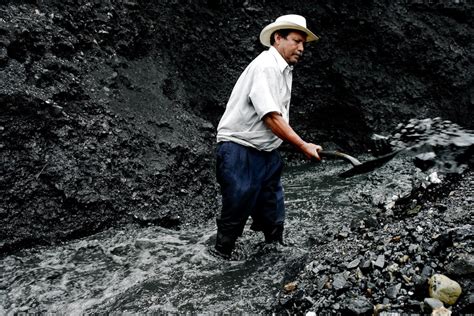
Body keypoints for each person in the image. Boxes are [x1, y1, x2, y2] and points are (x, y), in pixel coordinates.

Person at [213, 14, 323, 259]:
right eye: (296, 41)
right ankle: (220, 259)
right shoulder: (266, 65)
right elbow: (271, 117)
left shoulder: (284, 70)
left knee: (273, 209)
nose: (302, 48)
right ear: (278, 38)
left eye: (304, 43)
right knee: (236, 207)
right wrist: (303, 145)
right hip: (239, 148)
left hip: (266, 152)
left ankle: (275, 255)